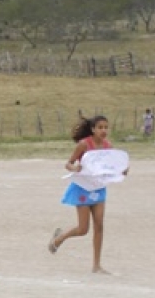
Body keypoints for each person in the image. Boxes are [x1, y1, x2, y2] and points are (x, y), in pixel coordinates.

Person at [48, 115, 125, 274]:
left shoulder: (108, 146)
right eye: (100, 127)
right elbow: (68, 163)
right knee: (83, 229)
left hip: (98, 188)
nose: (103, 130)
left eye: (106, 127)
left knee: (99, 226)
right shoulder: (84, 145)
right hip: (82, 188)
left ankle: (96, 265)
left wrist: (122, 170)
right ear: (93, 129)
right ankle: (59, 238)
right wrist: (74, 168)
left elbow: (111, 167)